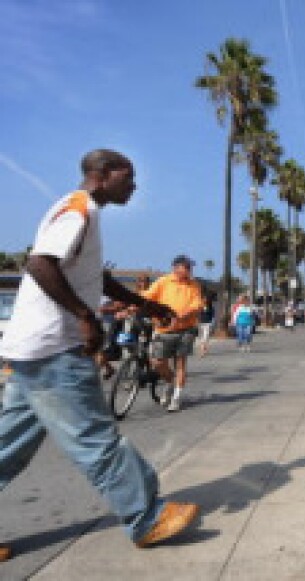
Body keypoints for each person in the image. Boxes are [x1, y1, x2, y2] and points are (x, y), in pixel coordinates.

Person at [0, 149, 200, 562]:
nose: (134, 186)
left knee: (7, 445)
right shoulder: (78, 208)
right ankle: (146, 518)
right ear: (105, 174)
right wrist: (83, 316)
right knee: (95, 439)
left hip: (32, 351)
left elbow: (97, 278)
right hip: (54, 348)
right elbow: (39, 264)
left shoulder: (83, 213)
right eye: (128, 177)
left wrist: (146, 304)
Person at [142, 255, 204, 412]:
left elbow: (197, 304)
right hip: (164, 329)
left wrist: (186, 313)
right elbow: (147, 296)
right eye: (187, 267)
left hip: (185, 329)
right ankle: (170, 382)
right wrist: (130, 306)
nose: (190, 270)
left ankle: (176, 398)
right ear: (176, 268)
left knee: (180, 364)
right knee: (157, 362)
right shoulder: (163, 281)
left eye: (190, 267)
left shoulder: (194, 284)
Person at [197, 290, 215, 357]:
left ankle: (203, 350)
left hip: (208, 323)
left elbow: (213, 315)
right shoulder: (199, 306)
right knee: (201, 337)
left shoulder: (210, 307)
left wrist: (212, 322)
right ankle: (202, 348)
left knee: (206, 337)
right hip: (200, 323)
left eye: (205, 299)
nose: (204, 300)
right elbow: (197, 314)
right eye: (203, 299)